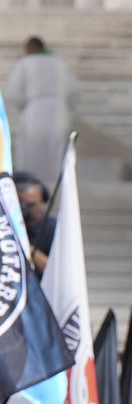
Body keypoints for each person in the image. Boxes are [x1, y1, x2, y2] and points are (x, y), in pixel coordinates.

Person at [6, 37, 77, 190]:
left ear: (30, 48)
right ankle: (54, 186)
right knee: (54, 148)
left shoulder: (25, 63)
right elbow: (72, 90)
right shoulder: (60, 63)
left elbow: (14, 91)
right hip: (58, 110)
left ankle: (30, 184)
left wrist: (24, 104)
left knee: (31, 149)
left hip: (35, 109)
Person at [13, 171, 56, 273]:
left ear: (42, 201)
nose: (25, 209)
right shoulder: (5, 226)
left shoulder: (53, 228)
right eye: (20, 204)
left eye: (31, 205)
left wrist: (26, 248)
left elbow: (57, 273)